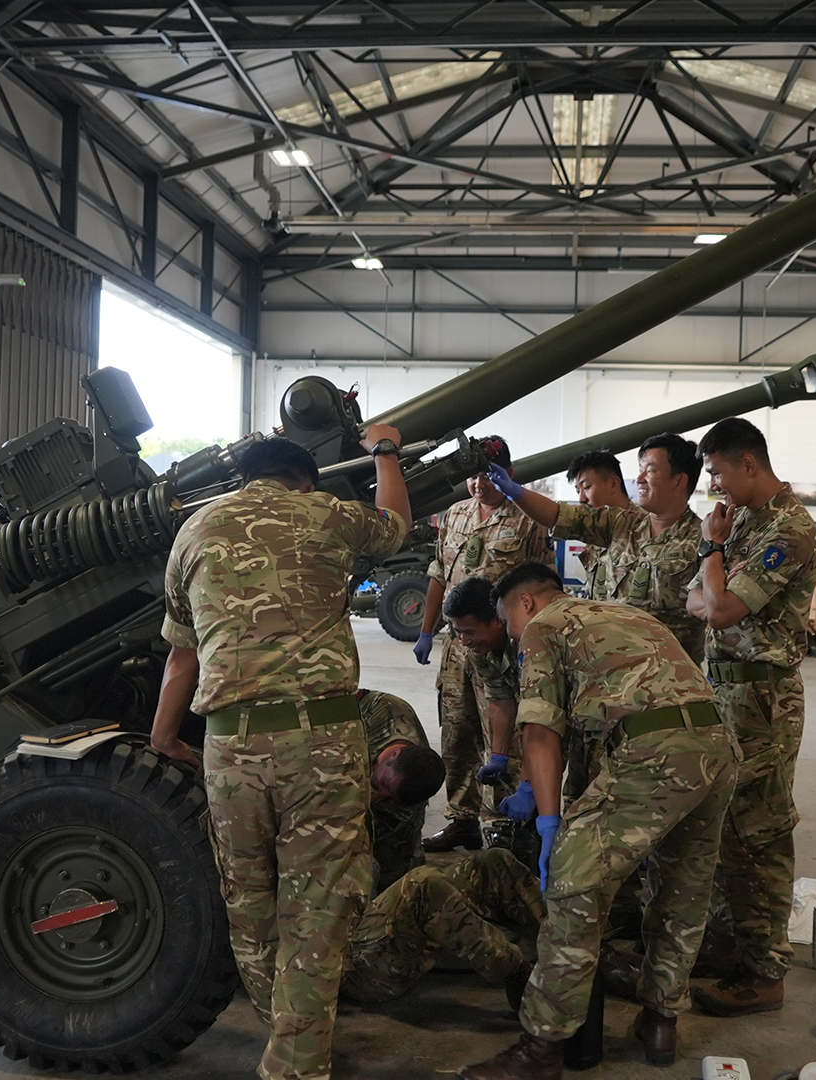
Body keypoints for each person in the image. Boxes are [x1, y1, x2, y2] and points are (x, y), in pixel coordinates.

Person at [150, 429, 410, 1080]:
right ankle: (297, 1060)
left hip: (229, 744)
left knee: (251, 905)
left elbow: (182, 651)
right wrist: (385, 453)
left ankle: (292, 1038)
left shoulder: (195, 531)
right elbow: (398, 525)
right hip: (320, 741)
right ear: (306, 480)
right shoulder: (327, 514)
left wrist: (163, 736)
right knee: (318, 908)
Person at [460, 562, 738, 1079]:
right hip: (716, 745)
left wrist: (550, 826)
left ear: (524, 605)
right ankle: (661, 1020)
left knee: (573, 888)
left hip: (653, 752)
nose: (514, 636)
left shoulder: (543, 625)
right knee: (683, 886)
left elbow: (541, 732)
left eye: (509, 622)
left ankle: (540, 1049)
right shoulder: (620, 613)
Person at [685, 417, 816, 1018]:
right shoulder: (741, 521)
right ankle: (728, 948)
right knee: (721, 826)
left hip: (764, 701)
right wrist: (715, 568)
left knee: (760, 834)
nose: (713, 484)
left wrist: (713, 553)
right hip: (723, 691)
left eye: (716, 471)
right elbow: (697, 600)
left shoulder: (789, 530)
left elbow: (719, 609)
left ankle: (765, 972)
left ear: (748, 463)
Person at [413, 436, 554, 853]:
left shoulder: (528, 517)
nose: (478, 484)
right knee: (457, 732)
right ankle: (462, 818)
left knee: (504, 737)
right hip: (461, 645)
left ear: (507, 474)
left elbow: (541, 584)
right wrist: (426, 630)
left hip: (504, 643)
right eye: (472, 476)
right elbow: (438, 572)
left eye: (487, 476)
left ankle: (505, 823)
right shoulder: (455, 514)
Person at [487, 434, 706, 664]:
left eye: (649, 471)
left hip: (668, 680)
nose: (639, 479)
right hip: (607, 669)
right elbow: (558, 515)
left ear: (679, 481)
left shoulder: (702, 539)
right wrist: (514, 491)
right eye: (640, 470)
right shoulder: (620, 523)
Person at [342, 848, 543, 1009]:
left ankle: (565, 937)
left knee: (494, 861)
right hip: (357, 964)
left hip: (372, 923)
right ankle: (515, 971)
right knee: (423, 882)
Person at [359, 688, 446, 895]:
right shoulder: (378, 713)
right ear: (393, 753)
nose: (380, 795)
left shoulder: (406, 801)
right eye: (384, 786)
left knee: (398, 876)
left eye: (390, 796)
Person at [563, 450, 631, 601]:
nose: (581, 499)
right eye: (578, 491)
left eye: (586, 488)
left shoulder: (642, 526)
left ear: (613, 484)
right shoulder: (594, 530)